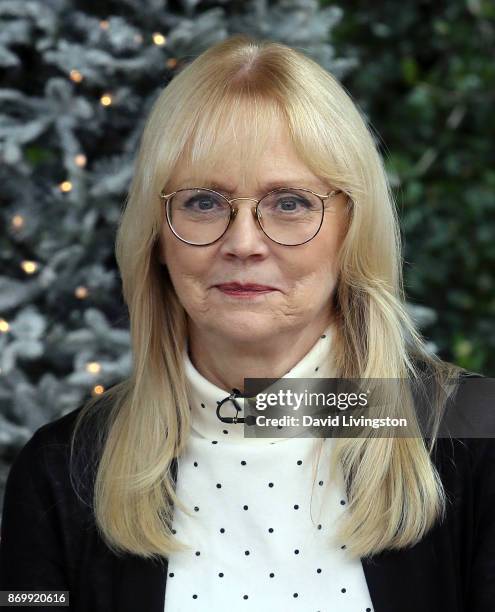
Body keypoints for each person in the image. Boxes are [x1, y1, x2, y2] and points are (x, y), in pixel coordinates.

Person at [0, 34, 494, 612]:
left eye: (289, 203)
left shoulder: (473, 435)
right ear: (157, 237)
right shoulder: (63, 468)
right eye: (204, 202)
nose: (243, 244)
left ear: (351, 229)